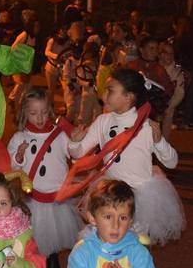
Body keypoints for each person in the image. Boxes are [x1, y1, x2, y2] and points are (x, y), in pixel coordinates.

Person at [68, 69, 184, 245]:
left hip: (139, 198)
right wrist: (75, 142)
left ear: (128, 97)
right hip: (110, 194)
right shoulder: (103, 121)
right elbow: (78, 154)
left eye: (110, 90)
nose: (104, 94)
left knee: (134, 245)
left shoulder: (145, 126)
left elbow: (172, 162)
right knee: (108, 240)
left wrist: (159, 141)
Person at [8, 88, 80, 268]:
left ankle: (53, 255)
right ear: (24, 112)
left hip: (56, 194)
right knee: (35, 232)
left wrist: (77, 141)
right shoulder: (19, 137)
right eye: (33, 113)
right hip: (33, 195)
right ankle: (36, 261)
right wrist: (19, 155)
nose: (39, 117)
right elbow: (13, 167)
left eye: (44, 112)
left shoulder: (60, 135)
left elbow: (75, 155)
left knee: (54, 231)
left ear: (50, 110)